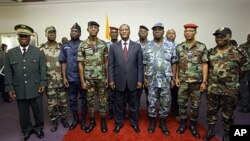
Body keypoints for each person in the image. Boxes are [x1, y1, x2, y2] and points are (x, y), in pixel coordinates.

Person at [204, 27, 250, 141]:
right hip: (213, 89)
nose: (219, 38)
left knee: (228, 114)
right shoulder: (210, 52)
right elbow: (206, 68)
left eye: (222, 36)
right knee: (211, 111)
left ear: (229, 37)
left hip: (230, 90)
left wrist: (232, 80)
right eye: (217, 36)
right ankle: (210, 130)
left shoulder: (239, 52)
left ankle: (227, 133)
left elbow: (244, 69)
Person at [5, 24, 47, 140]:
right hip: (19, 89)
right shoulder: (10, 53)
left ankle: (39, 128)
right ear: (18, 39)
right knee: (23, 113)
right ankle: (26, 130)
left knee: (38, 110)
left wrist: (43, 83)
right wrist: (9, 88)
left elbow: (43, 69)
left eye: (26, 37)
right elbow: (8, 72)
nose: (24, 39)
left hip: (36, 87)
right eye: (21, 37)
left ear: (29, 39)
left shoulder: (38, 52)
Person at [143, 23, 177, 135]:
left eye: (160, 29)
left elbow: (174, 62)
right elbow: (144, 63)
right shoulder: (147, 46)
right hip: (151, 79)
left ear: (163, 31)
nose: (157, 31)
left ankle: (162, 123)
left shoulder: (171, 45)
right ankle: (152, 122)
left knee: (165, 102)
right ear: (152, 32)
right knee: (151, 102)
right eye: (155, 30)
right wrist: (145, 77)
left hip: (166, 80)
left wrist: (173, 78)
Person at [108, 24, 143, 134]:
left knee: (134, 105)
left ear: (129, 31)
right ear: (119, 32)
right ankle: (118, 124)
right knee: (118, 105)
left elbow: (140, 65)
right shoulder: (113, 47)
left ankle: (134, 123)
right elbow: (111, 65)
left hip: (133, 81)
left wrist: (140, 80)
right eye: (122, 30)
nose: (124, 31)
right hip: (119, 81)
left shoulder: (137, 46)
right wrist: (111, 80)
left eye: (126, 29)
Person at [175, 23, 208, 139]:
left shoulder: (201, 47)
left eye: (190, 31)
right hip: (183, 81)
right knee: (181, 104)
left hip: (196, 82)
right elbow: (177, 63)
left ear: (195, 32)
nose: (188, 33)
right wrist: (176, 77)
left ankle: (193, 125)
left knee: (195, 106)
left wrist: (204, 81)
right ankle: (183, 124)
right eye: (186, 31)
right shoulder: (179, 47)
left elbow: (204, 64)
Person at [77, 21, 108, 133]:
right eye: (91, 27)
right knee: (90, 101)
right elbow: (80, 63)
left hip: (101, 78)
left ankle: (103, 120)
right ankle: (92, 120)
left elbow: (106, 62)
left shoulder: (103, 44)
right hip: (88, 79)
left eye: (95, 28)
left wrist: (107, 78)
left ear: (98, 30)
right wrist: (82, 81)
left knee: (102, 100)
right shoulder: (83, 45)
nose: (93, 29)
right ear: (88, 30)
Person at [40, 26, 69, 132]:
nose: (52, 34)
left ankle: (64, 119)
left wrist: (66, 77)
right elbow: (39, 66)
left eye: (53, 32)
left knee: (63, 101)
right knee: (52, 103)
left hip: (61, 80)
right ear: (46, 34)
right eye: (49, 33)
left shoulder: (62, 47)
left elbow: (66, 62)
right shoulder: (41, 48)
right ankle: (54, 121)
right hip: (49, 81)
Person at [59, 23, 88, 131]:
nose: (73, 33)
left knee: (84, 100)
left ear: (80, 33)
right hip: (71, 78)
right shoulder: (65, 45)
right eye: (72, 31)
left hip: (82, 79)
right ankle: (76, 119)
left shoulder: (84, 44)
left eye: (76, 31)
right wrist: (64, 77)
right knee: (72, 100)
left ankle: (84, 120)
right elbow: (63, 62)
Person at [165, 29, 180, 121]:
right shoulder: (163, 45)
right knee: (163, 95)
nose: (171, 35)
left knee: (175, 95)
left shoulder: (179, 46)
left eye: (173, 33)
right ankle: (162, 113)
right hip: (164, 74)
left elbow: (177, 62)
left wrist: (175, 77)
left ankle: (175, 112)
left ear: (175, 35)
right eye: (169, 34)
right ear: (166, 35)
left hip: (175, 73)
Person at [105, 26, 119, 120]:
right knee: (110, 95)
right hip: (109, 72)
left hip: (119, 73)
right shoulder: (105, 45)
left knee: (120, 94)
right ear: (110, 34)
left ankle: (120, 111)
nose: (114, 34)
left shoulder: (121, 44)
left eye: (115, 32)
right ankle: (111, 112)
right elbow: (104, 60)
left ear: (118, 34)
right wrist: (106, 76)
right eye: (112, 32)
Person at [136, 25, 150, 109]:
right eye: (141, 32)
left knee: (150, 97)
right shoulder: (134, 44)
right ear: (138, 33)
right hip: (137, 75)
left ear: (147, 33)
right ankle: (135, 113)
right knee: (136, 96)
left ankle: (150, 114)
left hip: (149, 74)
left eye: (144, 32)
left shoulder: (152, 45)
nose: (143, 33)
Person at [237, 34, 250, 113]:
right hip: (245, 70)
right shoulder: (242, 47)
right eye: (249, 37)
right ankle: (245, 107)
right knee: (243, 89)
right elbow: (238, 59)